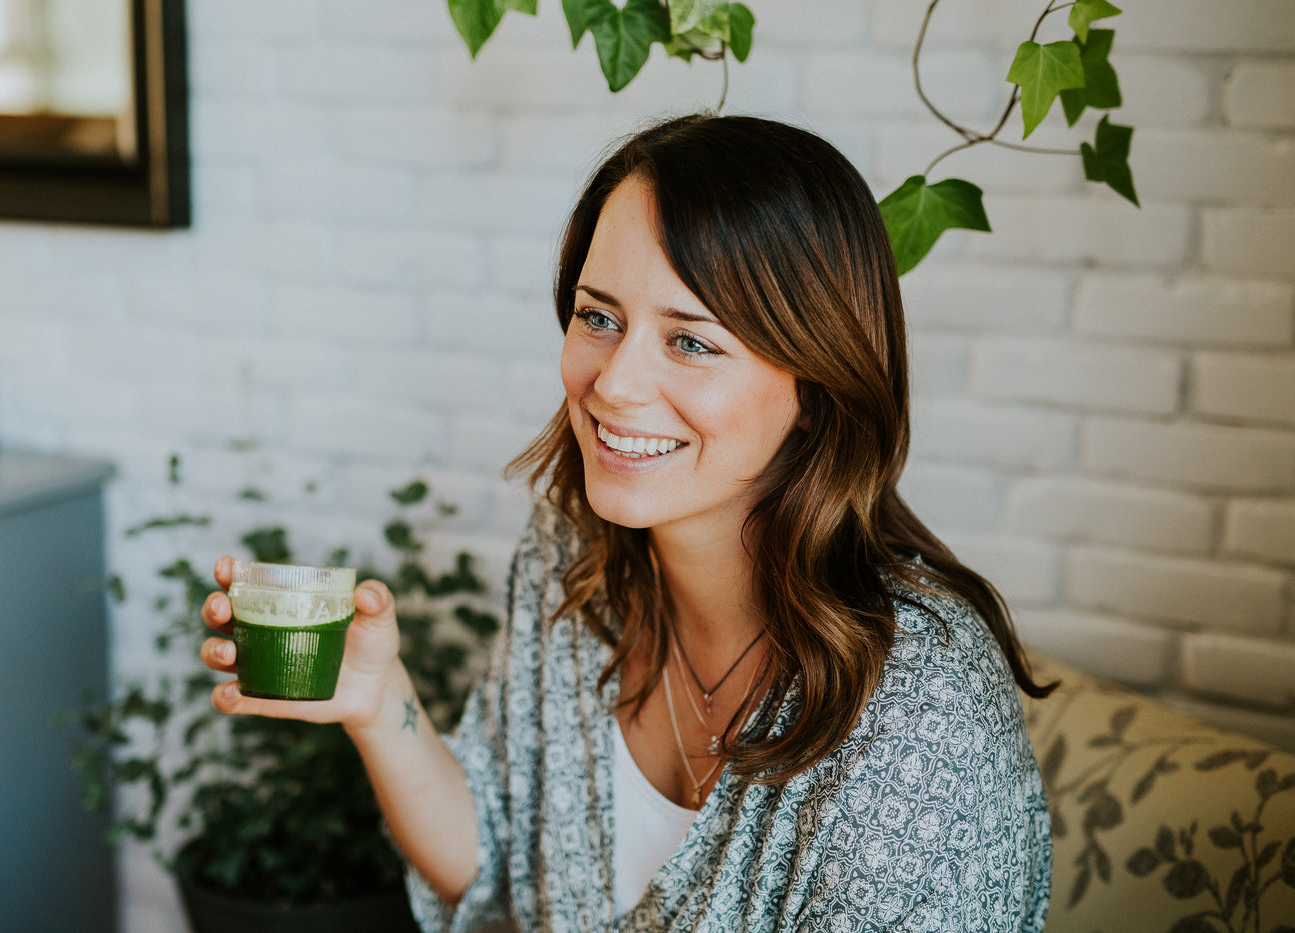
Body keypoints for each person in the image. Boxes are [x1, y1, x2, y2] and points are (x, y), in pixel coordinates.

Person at [199, 112, 1054, 932]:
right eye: (598, 317)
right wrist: (380, 702)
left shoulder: (917, 704)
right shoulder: (571, 555)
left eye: (691, 341)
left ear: (814, 387)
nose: (613, 384)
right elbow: (490, 866)